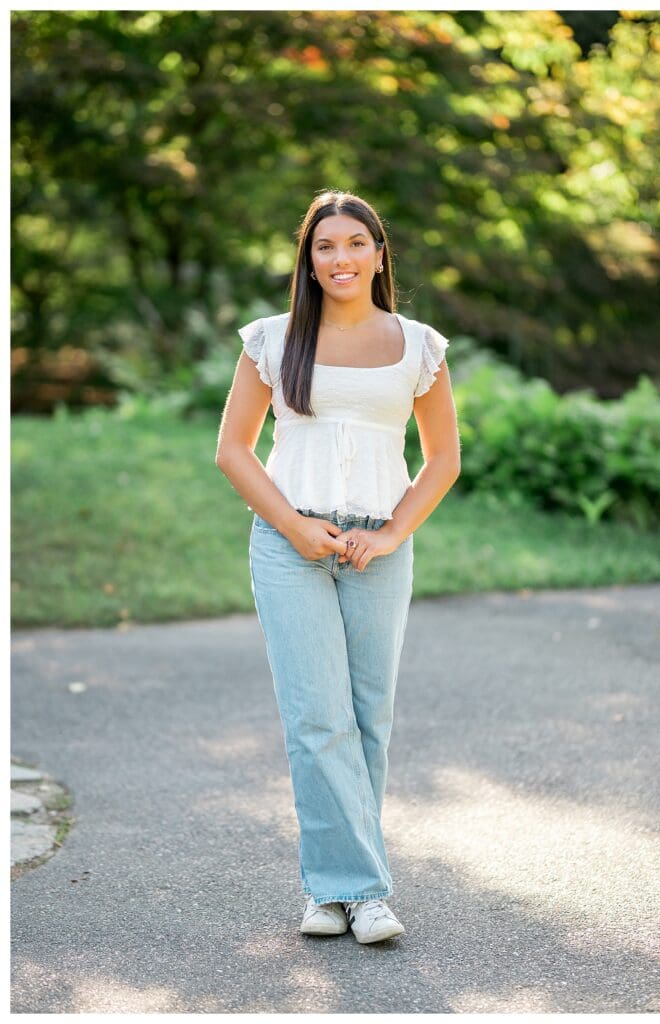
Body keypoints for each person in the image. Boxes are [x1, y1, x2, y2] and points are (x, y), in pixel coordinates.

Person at [215, 190, 461, 944]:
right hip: (289, 544)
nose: (341, 258)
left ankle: (337, 890)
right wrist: (293, 527)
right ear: (309, 259)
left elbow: (443, 459)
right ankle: (354, 891)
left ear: (379, 255)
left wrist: (391, 534)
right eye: (325, 246)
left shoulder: (418, 346)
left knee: (366, 718)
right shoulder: (272, 339)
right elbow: (233, 450)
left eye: (356, 243)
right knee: (316, 719)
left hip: (376, 548)